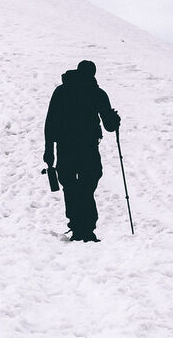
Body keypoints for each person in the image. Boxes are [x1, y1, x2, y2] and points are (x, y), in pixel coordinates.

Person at [44, 59, 121, 242]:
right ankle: (87, 229)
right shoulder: (98, 93)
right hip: (88, 147)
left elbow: (50, 122)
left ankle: (77, 227)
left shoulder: (61, 91)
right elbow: (109, 126)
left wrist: (49, 150)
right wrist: (115, 119)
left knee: (70, 186)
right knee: (87, 185)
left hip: (65, 147)